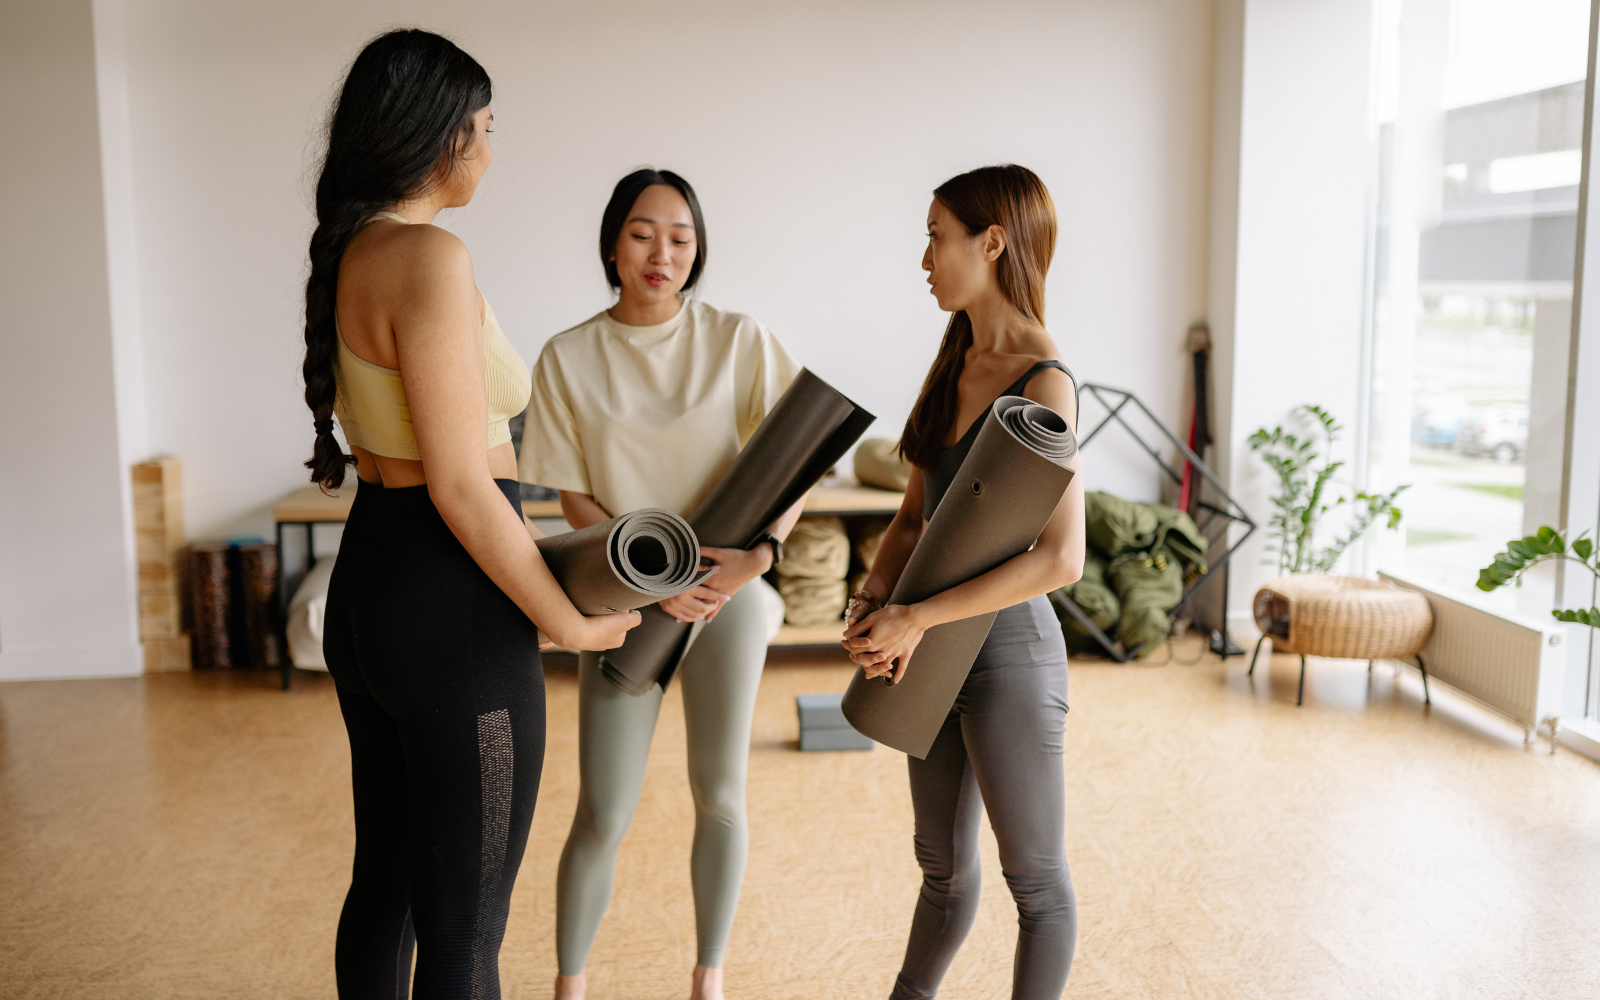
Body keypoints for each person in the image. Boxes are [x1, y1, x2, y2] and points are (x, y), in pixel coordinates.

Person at [307, 30, 639, 1000]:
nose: (492, 149)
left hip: (372, 581)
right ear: (442, 135)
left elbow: (451, 468)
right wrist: (562, 616)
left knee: (388, 885)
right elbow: (463, 484)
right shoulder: (429, 257)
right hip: (450, 607)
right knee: (465, 930)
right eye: (486, 127)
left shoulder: (350, 251)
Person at [518, 168, 803, 1000]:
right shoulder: (568, 355)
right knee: (604, 809)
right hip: (626, 597)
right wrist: (648, 587)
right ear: (612, 242)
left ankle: (708, 979)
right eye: (643, 234)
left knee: (719, 793)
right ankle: (571, 985)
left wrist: (759, 558)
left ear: (698, 249)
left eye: (680, 238)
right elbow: (572, 494)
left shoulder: (739, 339)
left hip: (727, 596)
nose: (662, 253)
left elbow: (798, 454)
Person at [842, 164, 1085, 1000]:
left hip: (1009, 656)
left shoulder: (1044, 379)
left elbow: (1060, 557)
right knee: (941, 870)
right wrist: (874, 599)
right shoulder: (956, 359)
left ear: (991, 241)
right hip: (929, 649)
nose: (925, 259)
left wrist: (917, 615)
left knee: (1038, 884)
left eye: (936, 237)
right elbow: (916, 516)